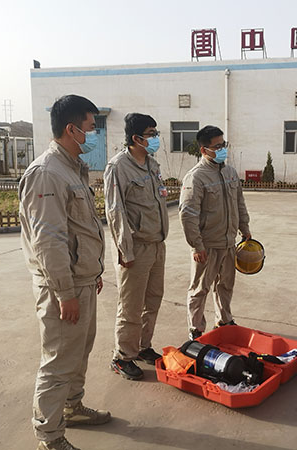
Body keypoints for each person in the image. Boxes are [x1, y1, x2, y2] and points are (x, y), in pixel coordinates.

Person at [19, 94, 110, 450]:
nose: (94, 134)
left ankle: (72, 407)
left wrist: (92, 271)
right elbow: (49, 240)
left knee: (78, 352)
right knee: (58, 361)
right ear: (72, 129)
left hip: (81, 280)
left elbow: (79, 229)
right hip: (62, 287)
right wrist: (65, 292)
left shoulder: (73, 168)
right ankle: (50, 435)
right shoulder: (47, 173)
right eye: (91, 127)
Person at [104, 113, 169, 380]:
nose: (155, 139)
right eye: (151, 134)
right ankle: (122, 356)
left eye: (155, 133)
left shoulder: (152, 164)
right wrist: (125, 250)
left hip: (156, 244)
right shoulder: (118, 167)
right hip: (135, 247)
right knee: (131, 305)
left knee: (152, 300)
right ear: (136, 138)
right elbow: (115, 211)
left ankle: (142, 346)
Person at [179, 125, 251, 340]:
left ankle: (224, 319)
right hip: (207, 244)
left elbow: (239, 203)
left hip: (228, 241)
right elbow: (188, 214)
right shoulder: (196, 177)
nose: (222, 150)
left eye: (223, 145)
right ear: (204, 150)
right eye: (217, 146)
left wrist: (245, 228)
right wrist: (196, 245)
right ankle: (196, 329)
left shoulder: (230, 173)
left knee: (225, 285)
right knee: (200, 288)